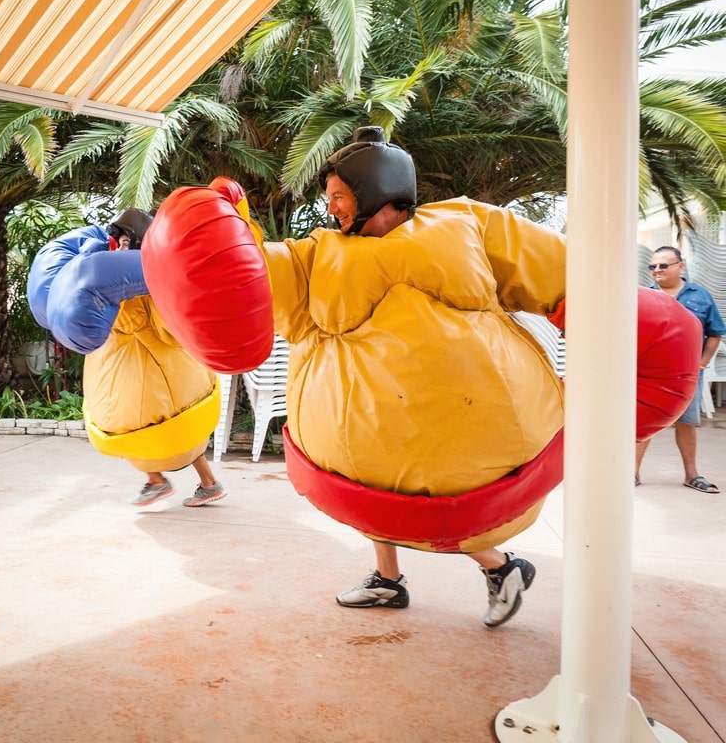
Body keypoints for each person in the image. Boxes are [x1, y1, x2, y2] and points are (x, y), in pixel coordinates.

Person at [142, 129, 698, 629]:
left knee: (450, 514)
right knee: (378, 488)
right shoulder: (314, 256)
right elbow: (254, 277)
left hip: (479, 445)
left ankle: (501, 568)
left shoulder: (464, 224)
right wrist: (221, 235)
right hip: (357, 452)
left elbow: (559, 272)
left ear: (376, 189)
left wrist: (629, 325)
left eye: (338, 193)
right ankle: (389, 581)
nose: (329, 206)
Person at [27, 207, 227, 510]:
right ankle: (201, 483)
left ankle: (160, 481)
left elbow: (165, 323)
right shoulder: (130, 274)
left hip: (146, 376)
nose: (118, 245)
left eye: (124, 240)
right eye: (116, 238)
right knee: (162, 425)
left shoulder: (141, 284)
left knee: (136, 428)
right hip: (159, 374)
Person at [634, 245, 725, 493]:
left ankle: (691, 474)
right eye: (653, 266)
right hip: (647, 375)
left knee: (687, 422)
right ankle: (632, 473)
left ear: (680, 266)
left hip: (687, 376)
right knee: (642, 422)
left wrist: (702, 362)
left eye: (664, 265)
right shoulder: (642, 295)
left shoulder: (700, 296)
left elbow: (715, 332)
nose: (657, 270)